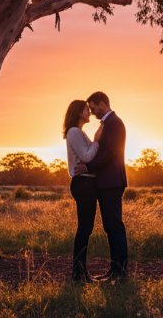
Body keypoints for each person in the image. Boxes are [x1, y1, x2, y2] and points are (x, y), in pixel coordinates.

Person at [78, 91, 128, 281]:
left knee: (114, 226)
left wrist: (88, 166)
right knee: (111, 227)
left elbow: (109, 153)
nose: (91, 112)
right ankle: (115, 269)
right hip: (107, 182)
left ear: (102, 103)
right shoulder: (108, 124)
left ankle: (120, 272)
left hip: (111, 182)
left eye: (93, 107)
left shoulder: (114, 124)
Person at [63, 99, 104, 283]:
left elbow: (87, 159)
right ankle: (78, 273)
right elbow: (87, 156)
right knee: (84, 229)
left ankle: (80, 273)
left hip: (87, 183)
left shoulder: (79, 133)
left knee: (86, 229)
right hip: (83, 184)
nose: (89, 112)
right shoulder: (74, 132)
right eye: (86, 109)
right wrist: (96, 141)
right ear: (78, 112)